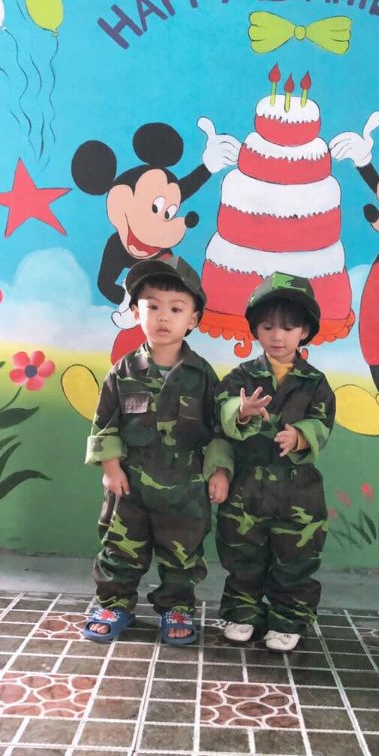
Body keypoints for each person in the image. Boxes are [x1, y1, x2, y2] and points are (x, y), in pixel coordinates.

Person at [84, 254, 232, 645]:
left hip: (186, 486)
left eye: (176, 309)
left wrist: (219, 471)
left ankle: (177, 606)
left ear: (193, 319)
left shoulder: (202, 376)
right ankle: (114, 603)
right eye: (153, 306)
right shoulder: (123, 371)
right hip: (130, 484)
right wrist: (111, 468)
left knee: (183, 553)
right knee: (120, 548)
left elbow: (219, 429)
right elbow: (105, 422)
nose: (163, 317)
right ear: (136, 312)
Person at [215, 272, 335, 653]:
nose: (277, 336)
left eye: (288, 327)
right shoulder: (242, 376)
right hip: (246, 488)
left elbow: (323, 423)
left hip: (298, 490)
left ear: (305, 331)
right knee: (242, 554)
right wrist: (241, 411)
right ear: (256, 330)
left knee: (295, 558)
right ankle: (242, 612)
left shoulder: (315, 382)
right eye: (267, 326)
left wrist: (301, 436)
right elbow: (222, 413)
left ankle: (288, 619)